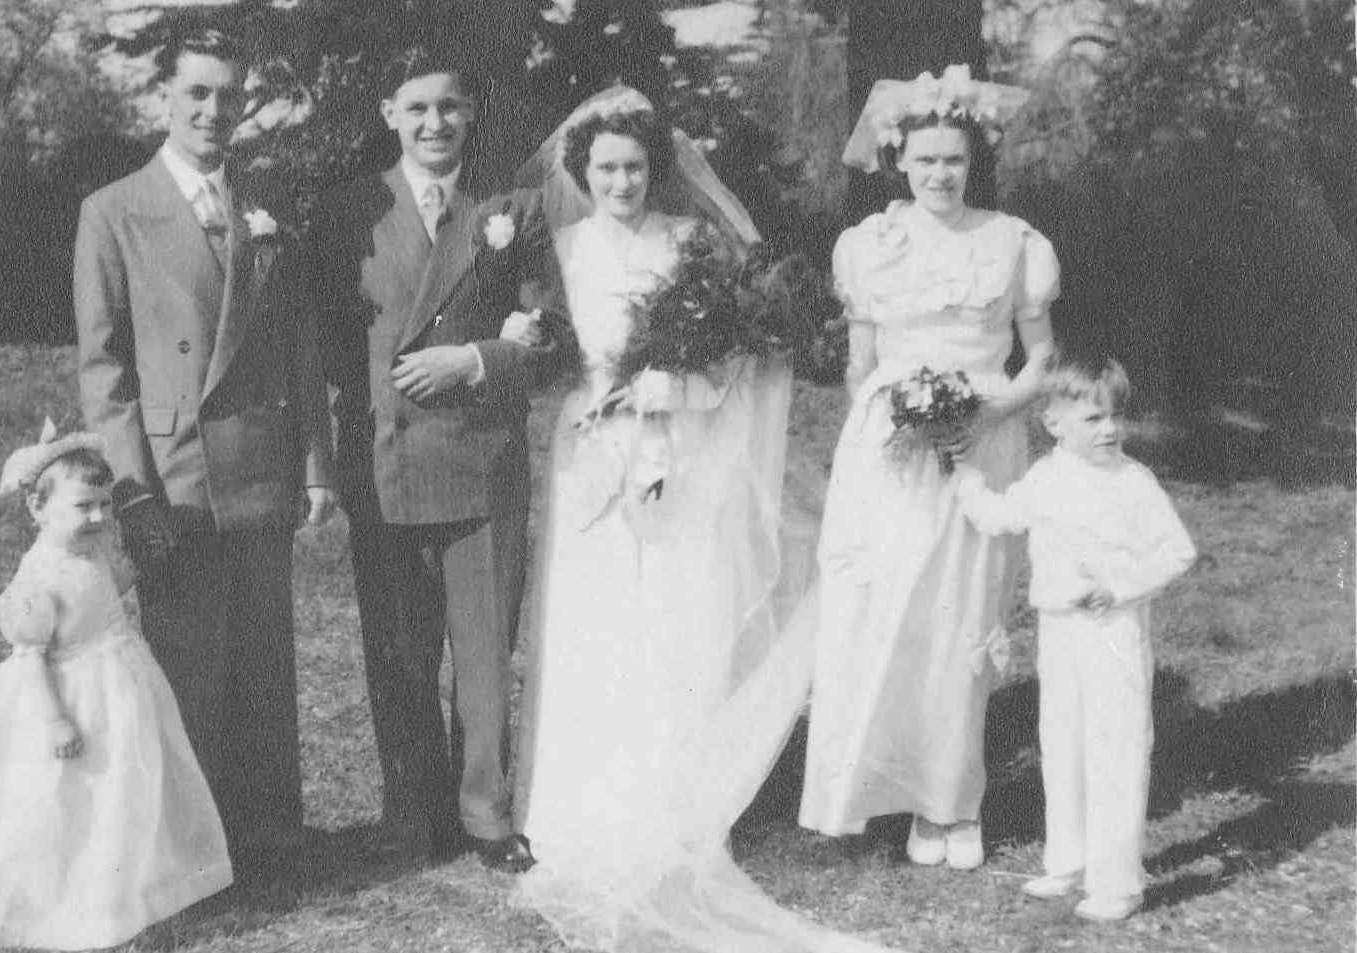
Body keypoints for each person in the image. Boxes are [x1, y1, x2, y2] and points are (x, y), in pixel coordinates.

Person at [508, 86, 904, 953]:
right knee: (593, 620)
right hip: (589, 456)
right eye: (606, 168)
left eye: (636, 167)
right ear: (583, 172)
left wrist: (671, 388)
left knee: (669, 618)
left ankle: (673, 798)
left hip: (674, 450)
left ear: (658, 170)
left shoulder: (691, 244)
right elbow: (545, 351)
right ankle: (575, 806)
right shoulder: (563, 249)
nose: (622, 182)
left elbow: (736, 361)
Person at [72, 27, 336, 879]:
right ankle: (189, 852)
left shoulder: (265, 208)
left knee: (264, 662)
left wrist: (314, 465)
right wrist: (132, 494)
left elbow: (296, 347)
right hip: (174, 479)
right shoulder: (113, 210)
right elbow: (103, 369)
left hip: (259, 467)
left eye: (228, 95)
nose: (212, 110)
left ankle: (266, 840)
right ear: (166, 97)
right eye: (196, 93)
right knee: (187, 664)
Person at [309, 47, 570, 872]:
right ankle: (412, 812)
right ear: (389, 113)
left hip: (483, 460)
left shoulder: (513, 210)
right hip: (385, 458)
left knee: (486, 648)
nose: (434, 124)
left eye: (450, 107)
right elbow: (321, 342)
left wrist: (479, 359)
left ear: (470, 114)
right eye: (417, 108)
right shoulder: (348, 209)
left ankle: (486, 815)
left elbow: (555, 337)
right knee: (399, 649)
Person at [799, 65, 1059, 871]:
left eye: (954, 159)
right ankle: (871, 791)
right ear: (898, 162)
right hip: (889, 449)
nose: (940, 174)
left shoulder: (1013, 242)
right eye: (925, 161)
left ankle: (952, 804)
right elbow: (858, 365)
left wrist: (986, 415)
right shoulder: (868, 245)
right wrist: (894, 424)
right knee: (881, 614)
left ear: (973, 161)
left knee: (957, 616)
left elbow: (1042, 362)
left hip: (983, 441)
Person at [0, 425, 231, 949]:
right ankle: (71, 903)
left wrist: (139, 567)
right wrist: (55, 718)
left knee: (129, 788)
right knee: (77, 800)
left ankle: (136, 892)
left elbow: (103, 593)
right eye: (82, 508)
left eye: (103, 506)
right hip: (75, 699)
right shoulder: (38, 578)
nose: (97, 518)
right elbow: (30, 661)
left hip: (121, 689)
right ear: (38, 510)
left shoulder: (89, 554)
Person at [954, 356, 1196, 921]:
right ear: (1054, 424)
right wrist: (960, 475)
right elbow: (996, 516)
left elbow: (1177, 550)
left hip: (1114, 632)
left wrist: (1122, 586)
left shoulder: (1134, 481)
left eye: (1115, 417)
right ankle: (1068, 861)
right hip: (1060, 633)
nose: (1110, 429)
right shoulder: (1045, 479)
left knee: (1117, 747)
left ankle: (1117, 882)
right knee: (1062, 742)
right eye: (1093, 419)